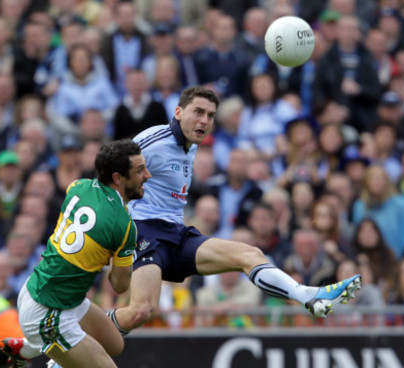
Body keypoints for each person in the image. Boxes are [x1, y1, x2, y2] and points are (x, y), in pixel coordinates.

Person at [107, 86, 361, 340]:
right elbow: (108, 173)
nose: (204, 120)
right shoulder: (154, 141)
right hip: (146, 232)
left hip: (175, 233)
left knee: (249, 254)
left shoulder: (191, 144)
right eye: (198, 112)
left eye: (210, 115)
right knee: (141, 310)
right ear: (178, 112)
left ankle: (310, 297)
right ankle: (75, 342)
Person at [0, 139, 151, 368]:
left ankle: (25, 348)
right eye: (141, 170)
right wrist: (130, 253)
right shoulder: (123, 226)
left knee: (114, 343)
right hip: (49, 314)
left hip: (42, 290)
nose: (147, 175)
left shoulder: (78, 187)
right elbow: (120, 286)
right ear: (118, 178)